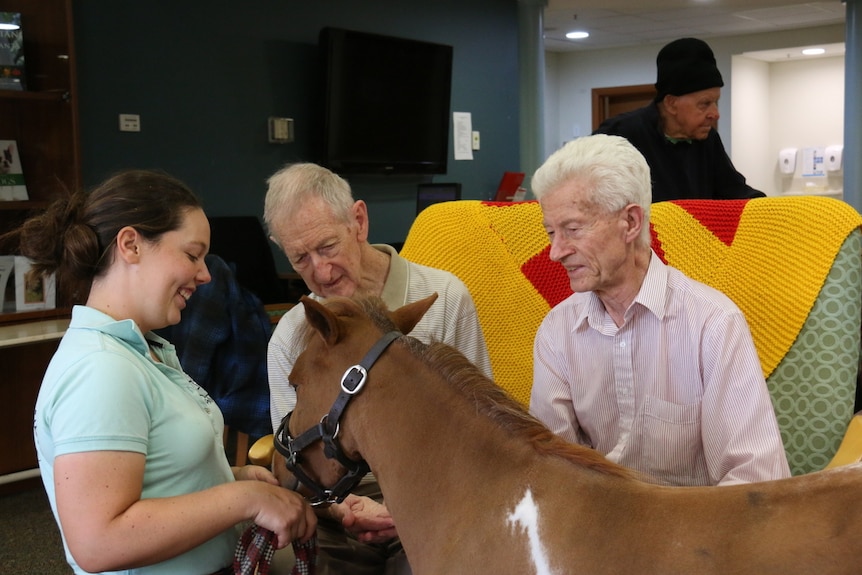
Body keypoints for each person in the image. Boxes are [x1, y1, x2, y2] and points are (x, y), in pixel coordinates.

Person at [10, 169, 315, 575]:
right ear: (131, 244)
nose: (206, 274)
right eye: (192, 255)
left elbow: (157, 475)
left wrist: (233, 478)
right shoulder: (101, 370)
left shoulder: (143, 350)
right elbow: (97, 543)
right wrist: (245, 501)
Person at [264, 162, 492, 575]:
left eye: (327, 246)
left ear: (359, 221)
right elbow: (293, 458)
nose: (320, 271)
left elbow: (482, 434)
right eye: (300, 258)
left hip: (438, 503)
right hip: (340, 513)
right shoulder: (291, 336)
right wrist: (342, 510)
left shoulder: (443, 298)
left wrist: (399, 509)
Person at [528, 134, 790, 487]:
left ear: (631, 223)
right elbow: (549, 470)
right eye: (551, 233)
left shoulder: (712, 324)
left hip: (697, 528)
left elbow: (755, 480)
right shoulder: (557, 330)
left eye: (572, 229)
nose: (555, 252)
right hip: (594, 528)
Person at [594, 37, 765, 202]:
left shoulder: (708, 140)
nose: (715, 113)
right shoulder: (619, 135)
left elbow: (735, 193)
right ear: (671, 103)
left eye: (716, 102)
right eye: (705, 103)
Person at [157, 253, 273, 444]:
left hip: (210, 410)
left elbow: (191, 374)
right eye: (193, 255)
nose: (205, 275)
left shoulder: (212, 277)